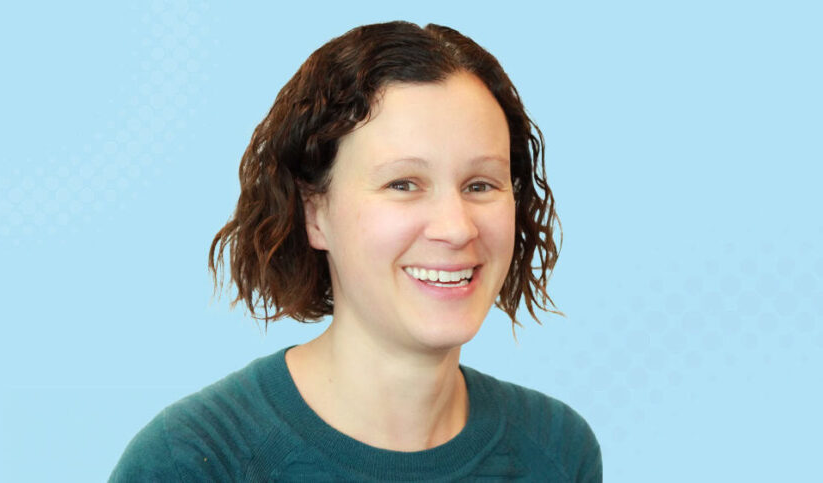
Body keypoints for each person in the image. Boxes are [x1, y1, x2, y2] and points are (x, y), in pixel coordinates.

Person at [109, 21, 602, 482]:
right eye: (403, 183)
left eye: (480, 184)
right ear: (314, 214)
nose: (456, 228)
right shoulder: (192, 461)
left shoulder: (558, 451)